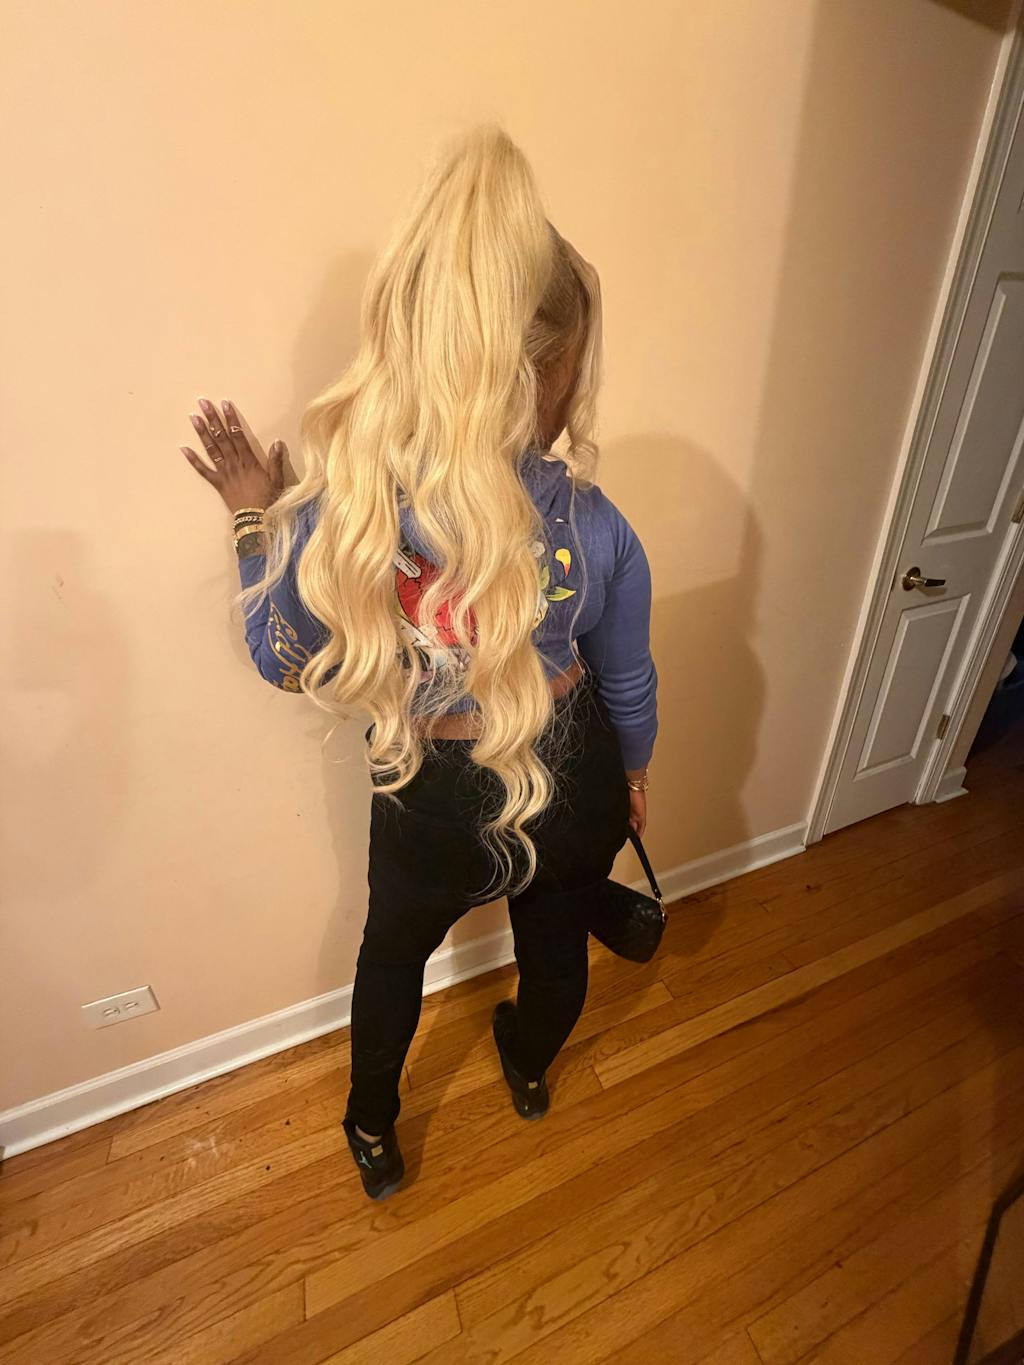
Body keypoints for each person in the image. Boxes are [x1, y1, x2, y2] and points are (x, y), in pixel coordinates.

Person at [180, 125, 658, 1202]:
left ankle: (373, 1130)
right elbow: (629, 679)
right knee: (555, 945)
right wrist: (632, 772)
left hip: (430, 792)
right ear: (554, 372)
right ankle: (526, 1066)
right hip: (576, 772)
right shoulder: (597, 523)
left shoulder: (347, 515)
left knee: (392, 958)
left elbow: (278, 655)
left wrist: (256, 517)